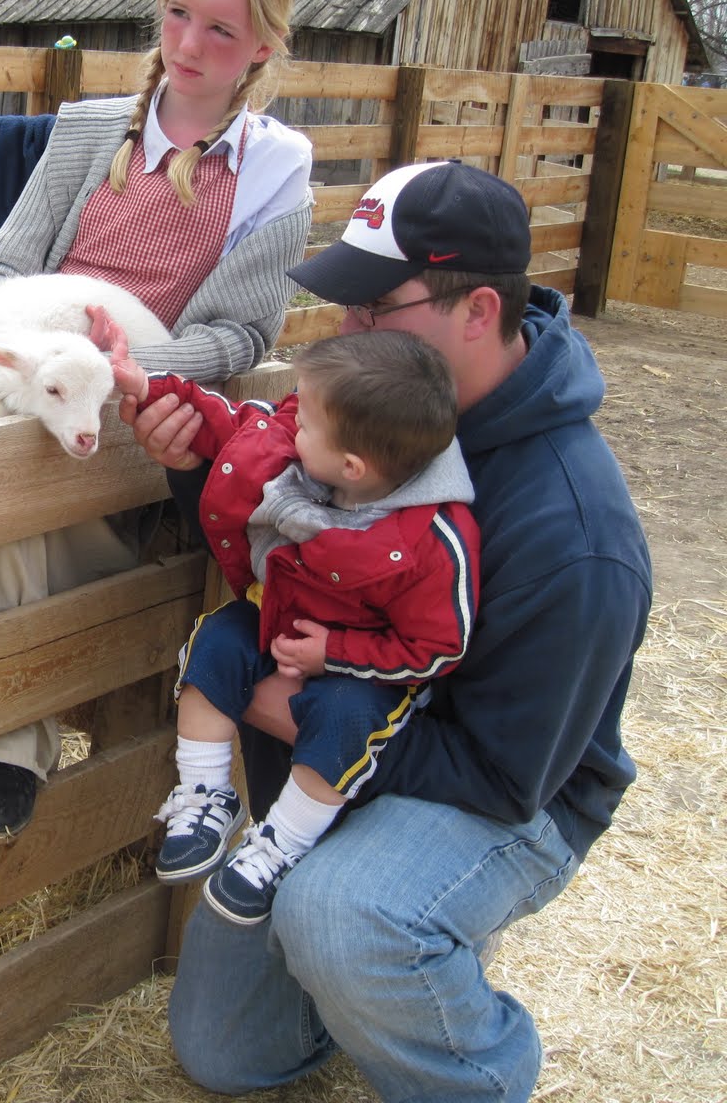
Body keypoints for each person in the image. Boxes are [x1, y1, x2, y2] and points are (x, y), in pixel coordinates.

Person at [123, 159, 651, 1100]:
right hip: (344, 734)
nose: (347, 330)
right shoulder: (369, 405)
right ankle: (376, 970)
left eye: (374, 308)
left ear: (478, 311)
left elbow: (506, 774)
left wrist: (298, 713)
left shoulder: (574, 533)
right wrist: (190, 467)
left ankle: (478, 1064)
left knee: (345, 917)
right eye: (344, 307)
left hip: (505, 799)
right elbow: (287, 534)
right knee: (223, 1052)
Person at [0, 0, 314, 844]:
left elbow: (238, 333)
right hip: (43, 379)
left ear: (263, 48)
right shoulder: (86, 131)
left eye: (221, 32)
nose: (189, 45)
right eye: (178, 15)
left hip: (145, 424)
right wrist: (37, 346)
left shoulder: (275, 168)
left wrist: (132, 370)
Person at [109, 330, 478, 924]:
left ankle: (282, 841)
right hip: (277, 614)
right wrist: (149, 388)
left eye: (303, 420)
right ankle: (207, 793)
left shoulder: (432, 544)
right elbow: (233, 422)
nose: (288, 422)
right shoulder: (304, 450)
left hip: (360, 662)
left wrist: (335, 652)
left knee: (344, 724)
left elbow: (436, 648)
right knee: (214, 645)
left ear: (351, 467)